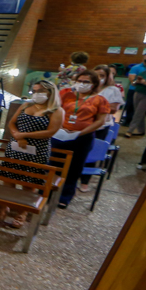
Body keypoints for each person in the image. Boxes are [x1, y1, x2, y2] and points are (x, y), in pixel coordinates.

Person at [0, 81, 64, 227]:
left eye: (41, 91)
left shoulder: (56, 111)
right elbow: (12, 123)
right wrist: (16, 134)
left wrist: (23, 135)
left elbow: (50, 131)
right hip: (15, 148)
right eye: (35, 90)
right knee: (8, 179)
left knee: (29, 183)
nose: (37, 94)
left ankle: (22, 212)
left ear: (50, 93)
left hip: (36, 151)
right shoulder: (26, 105)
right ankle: (5, 206)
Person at [51, 70, 110, 208]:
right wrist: (59, 128)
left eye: (86, 82)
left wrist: (81, 132)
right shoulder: (66, 93)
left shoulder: (100, 99)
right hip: (60, 134)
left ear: (94, 84)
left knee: (74, 168)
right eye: (79, 81)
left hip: (82, 137)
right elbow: (55, 110)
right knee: (53, 165)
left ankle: (64, 196)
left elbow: (100, 121)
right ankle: (46, 192)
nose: (82, 84)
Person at [126, 57, 146, 137]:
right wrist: (136, 81)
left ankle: (130, 130)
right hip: (137, 93)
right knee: (140, 112)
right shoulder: (143, 73)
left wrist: (145, 83)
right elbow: (133, 82)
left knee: (138, 113)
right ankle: (142, 130)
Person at [123, 51, 146, 126]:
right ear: (144, 57)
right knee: (130, 106)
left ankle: (138, 123)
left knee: (143, 109)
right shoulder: (136, 67)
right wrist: (141, 82)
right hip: (134, 90)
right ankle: (128, 121)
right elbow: (132, 79)